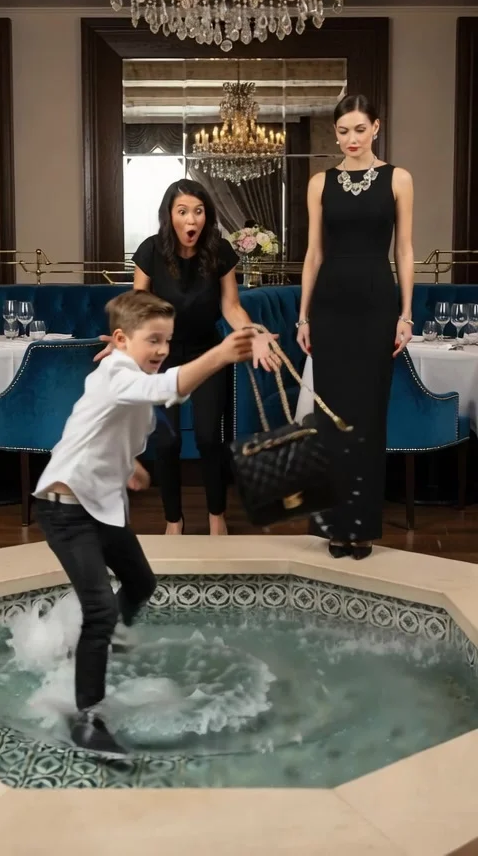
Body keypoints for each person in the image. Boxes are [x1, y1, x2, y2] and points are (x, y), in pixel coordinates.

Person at [32, 289, 256, 757]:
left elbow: (108, 424)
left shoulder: (129, 372)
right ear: (120, 339)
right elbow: (166, 388)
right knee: (100, 609)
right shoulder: (116, 372)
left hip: (100, 505)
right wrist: (220, 354)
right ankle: (87, 718)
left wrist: (131, 465)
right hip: (65, 509)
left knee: (140, 583)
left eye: (167, 340)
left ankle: (96, 645)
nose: (163, 350)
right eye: (153, 340)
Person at [297, 94, 414, 560]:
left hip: (377, 305)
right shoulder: (319, 183)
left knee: (368, 417)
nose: (351, 139)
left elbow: (404, 250)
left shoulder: (399, 179)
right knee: (330, 419)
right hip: (330, 307)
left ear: (376, 128)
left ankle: (361, 527)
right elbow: (313, 254)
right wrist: (303, 316)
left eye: (359, 130)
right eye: (343, 131)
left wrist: (405, 314)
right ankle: (334, 526)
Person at [128, 179, 278, 537]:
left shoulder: (219, 251)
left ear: (206, 216)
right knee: (167, 441)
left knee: (210, 437)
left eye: (198, 211)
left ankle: (216, 515)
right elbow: (136, 306)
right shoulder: (151, 251)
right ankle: (173, 520)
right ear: (169, 216)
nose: (191, 219)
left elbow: (232, 307)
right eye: (182, 211)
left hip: (208, 352)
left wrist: (255, 333)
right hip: (162, 357)